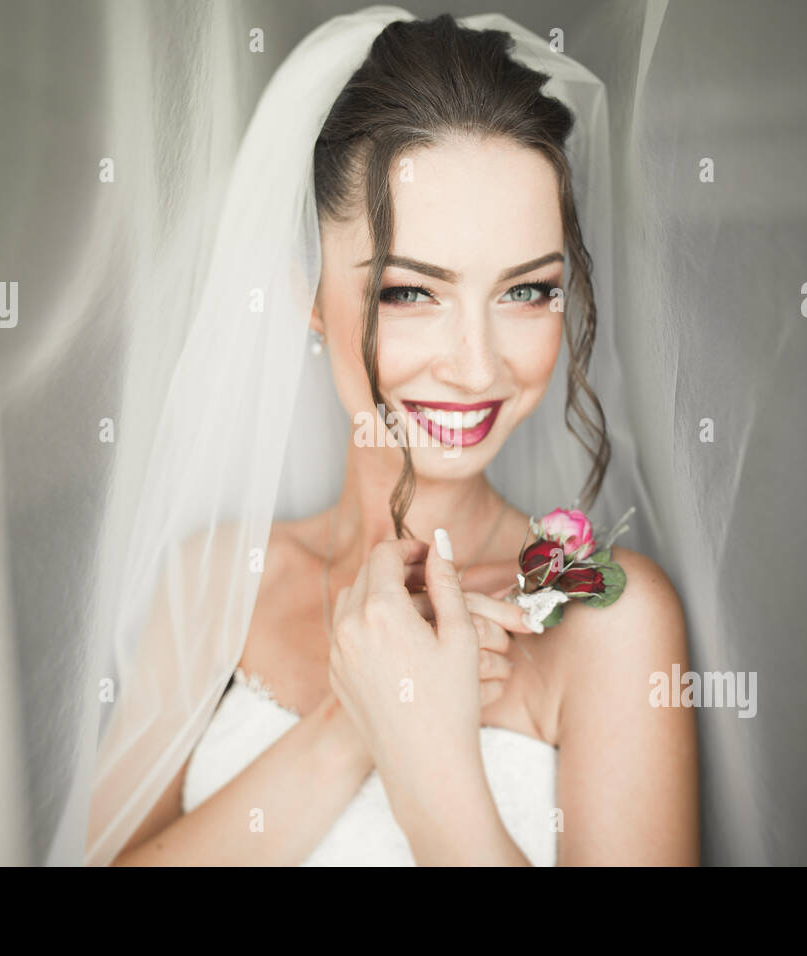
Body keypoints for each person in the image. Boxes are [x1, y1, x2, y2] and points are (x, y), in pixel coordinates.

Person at [87, 8, 695, 867]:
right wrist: (349, 723)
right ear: (308, 292)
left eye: (525, 292)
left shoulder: (609, 622)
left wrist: (424, 758)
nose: (477, 368)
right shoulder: (218, 581)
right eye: (411, 292)